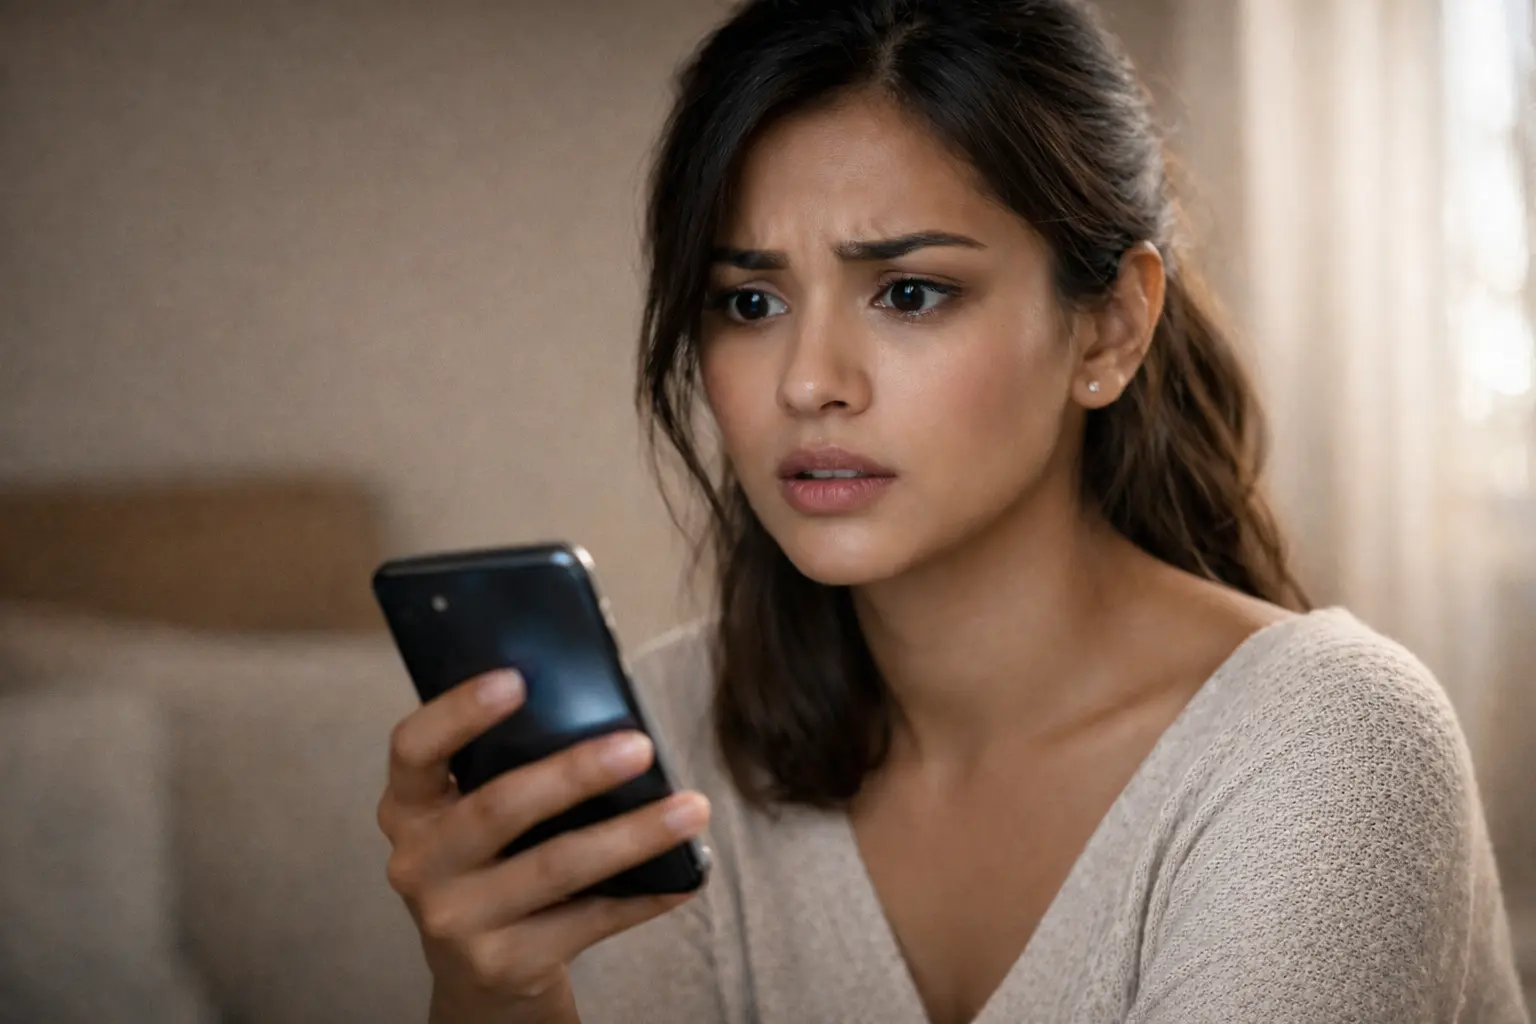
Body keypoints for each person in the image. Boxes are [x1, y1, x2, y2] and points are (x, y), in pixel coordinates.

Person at [375, 1, 1530, 1021]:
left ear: (1110, 328)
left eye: (911, 291)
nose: (807, 381)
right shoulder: (669, 745)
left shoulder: (1331, 748)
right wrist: (497, 999)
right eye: (751, 299)